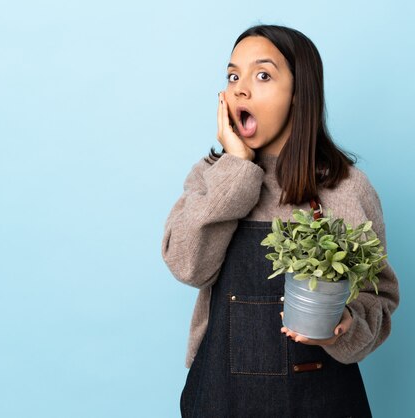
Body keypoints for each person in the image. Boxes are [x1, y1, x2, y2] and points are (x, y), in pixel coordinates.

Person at [161, 24, 399, 418]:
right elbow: (188, 266)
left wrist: (343, 323)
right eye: (233, 75)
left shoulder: (345, 189)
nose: (240, 88)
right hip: (221, 402)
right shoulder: (210, 177)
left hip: (320, 406)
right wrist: (236, 168)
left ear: (299, 94)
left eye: (263, 75)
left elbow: (379, 300)